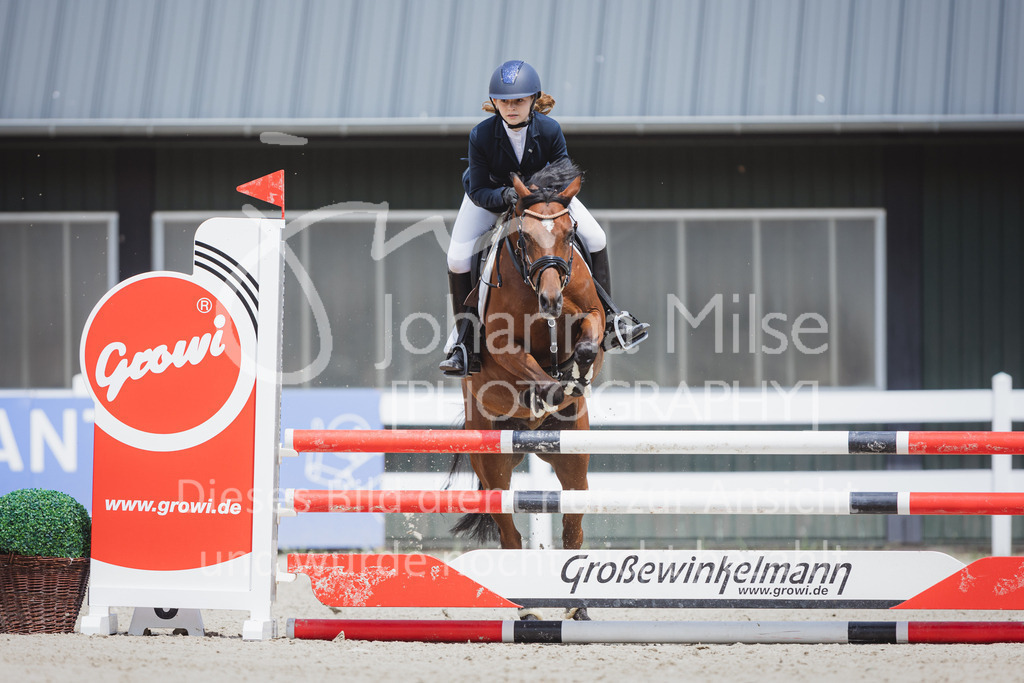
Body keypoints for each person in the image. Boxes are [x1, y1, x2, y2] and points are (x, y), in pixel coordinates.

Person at [439, 59, 649, 377]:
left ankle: (611, 320)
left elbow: (564, 172)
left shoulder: (549, 129)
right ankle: (465, 342)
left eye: (519, 101)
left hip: (544, 200)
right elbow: (479, 188)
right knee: (457, 257)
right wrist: (506, 197)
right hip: (491, 199)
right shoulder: (481, 135)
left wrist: (538, 195)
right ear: (494, 102)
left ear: (534, 100)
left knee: (596, 237)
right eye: (504, 101)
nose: (511, 107)